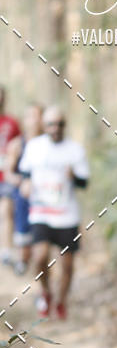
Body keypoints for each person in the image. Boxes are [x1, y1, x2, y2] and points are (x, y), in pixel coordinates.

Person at [19, 106, 90, 319]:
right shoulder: (34, 147)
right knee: (40, 256)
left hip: (67, 214)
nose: (55, 128)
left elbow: (84, 182)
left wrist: (73, 177)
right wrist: (26, 183)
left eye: (59, 124)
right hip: (41, 212)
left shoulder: (75, 150)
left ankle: (61, 300)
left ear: (64, 126)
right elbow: (25, 172)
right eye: (51, 124)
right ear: (44, 126)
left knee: (67, 265)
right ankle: (46, 293)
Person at [4, 103, 44, 275]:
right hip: (23, 199)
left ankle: (42, 289)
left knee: (42, 249)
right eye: (30, 116)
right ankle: (20, 258)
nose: (33, 120)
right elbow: (8, 172)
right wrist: (20, 182)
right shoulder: (17, 145)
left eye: (37, 116)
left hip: (45, 200)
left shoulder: (48, 143)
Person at [0, 87, 21, 266]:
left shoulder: (12, 122)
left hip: (5, 176)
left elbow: (21, 144)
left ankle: (6, 250)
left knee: (6, 210)